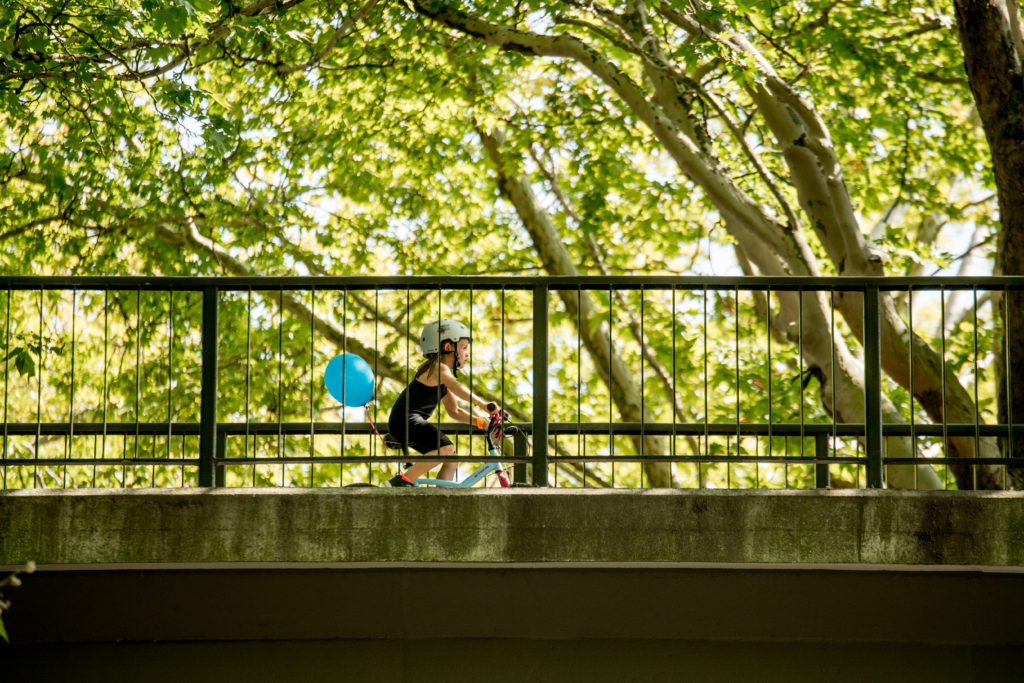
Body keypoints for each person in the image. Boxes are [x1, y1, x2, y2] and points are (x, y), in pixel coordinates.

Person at [385, 319, 499, 487]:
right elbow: (456, 386)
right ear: (447, 347)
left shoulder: (440, 378)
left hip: (405, 422)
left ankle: (440, 495)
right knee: (446, 448)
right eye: (464, 347)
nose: (467, 354)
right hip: (405, 420)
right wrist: (483, 404)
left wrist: (480, 422)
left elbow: (455, 411)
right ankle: (402, 481)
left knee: (451, 457)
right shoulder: (439, 368)